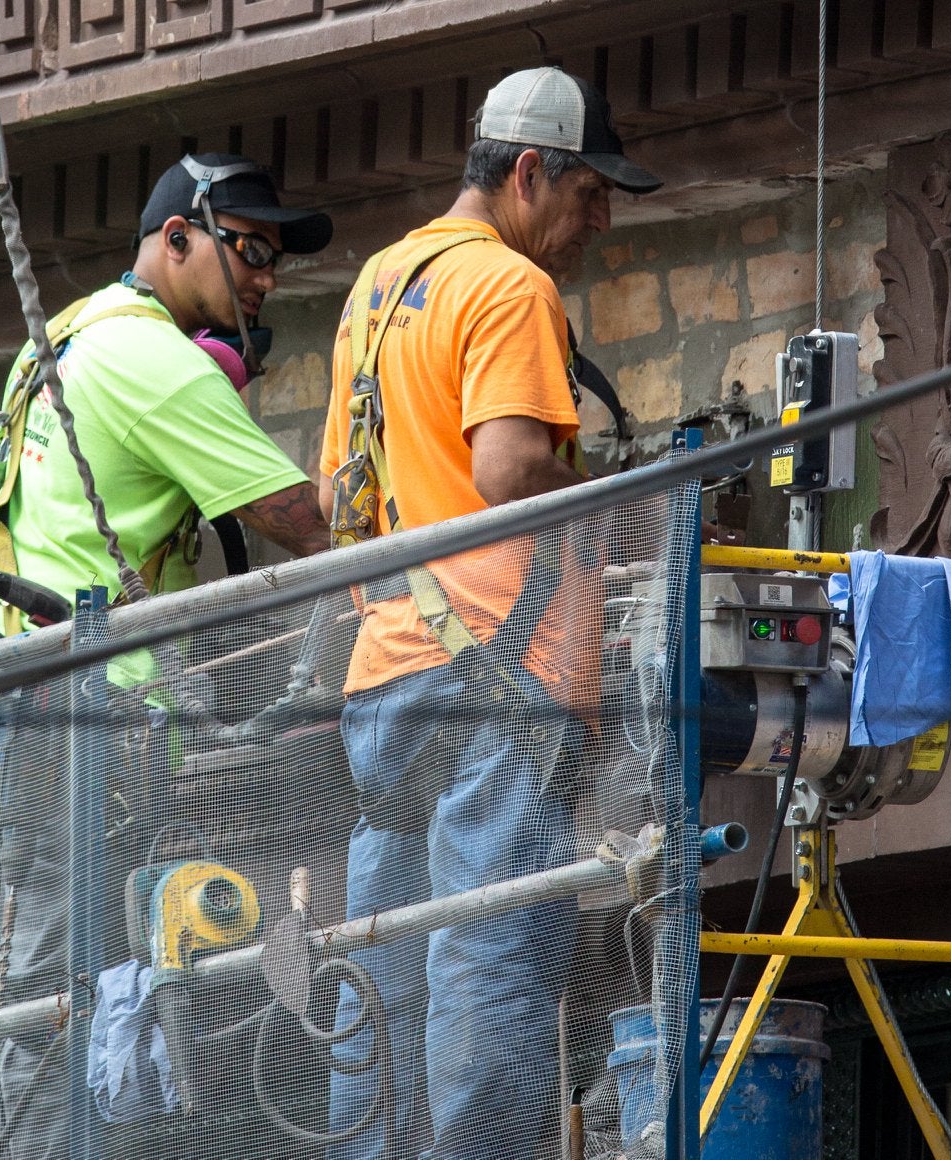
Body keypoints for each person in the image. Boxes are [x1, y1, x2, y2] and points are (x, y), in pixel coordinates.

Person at [316, 67, 661, 1159]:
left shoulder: (379, 283)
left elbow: (339, 501)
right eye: (590, 189)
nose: (600, 216)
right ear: (527, 171)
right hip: (496, 681)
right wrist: (617, 493)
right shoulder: (509, 287)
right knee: (493, 961)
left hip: (388, 681)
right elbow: (509, 466)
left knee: (386, 970)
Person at [0, 154, 334, 1159]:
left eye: (272, 259)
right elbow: (299, 520)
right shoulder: (153, 360)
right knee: (65, 994)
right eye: (248, 249)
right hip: (84, 729)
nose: (264, 276)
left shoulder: (69, 336)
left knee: (67, 987)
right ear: (175, 240)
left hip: (41, 715)